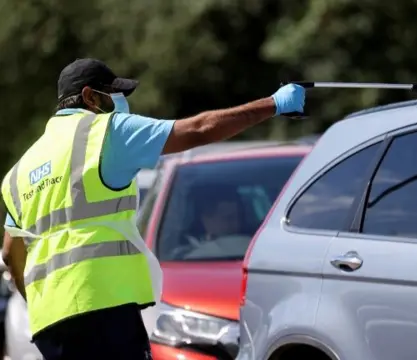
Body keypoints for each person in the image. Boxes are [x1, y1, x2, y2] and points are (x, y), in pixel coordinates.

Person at [0, 58, 305, 360]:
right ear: (90, 97)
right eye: (112, 94)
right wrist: (273, 104)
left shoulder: (20, 171)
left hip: (50, 322)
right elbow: (199, 129)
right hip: (101, 305)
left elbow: (11, 252)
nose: (119, 103)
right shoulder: (105, 131)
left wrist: (42, 301)